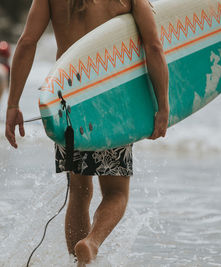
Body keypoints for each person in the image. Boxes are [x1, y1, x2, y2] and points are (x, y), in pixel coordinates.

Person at [5, 0, 169, 265]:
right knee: (116, 193)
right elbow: (153, 46)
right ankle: (91, 243)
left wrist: (13, 104)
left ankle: (77, 263)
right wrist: (163, 105)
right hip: (112, 102)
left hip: (68, 101)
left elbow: (27, 42)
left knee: (80, 191)